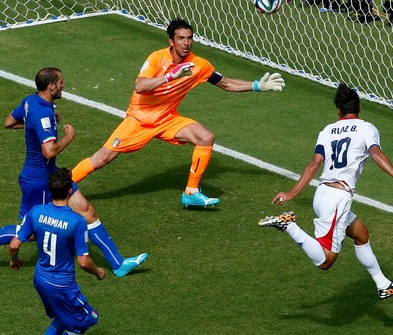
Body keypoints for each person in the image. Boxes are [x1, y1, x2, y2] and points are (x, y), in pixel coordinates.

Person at [72, 18, 285, 207]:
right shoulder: (157, 58)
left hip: (167, 119)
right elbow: (141, 87)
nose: (186, 43)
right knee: (102, 159)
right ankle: (59, 187)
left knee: (205, 137)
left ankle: (191, 192)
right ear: (171, 42)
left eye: (189, 38)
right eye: (181, 38)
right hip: (139, 120)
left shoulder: (199, 65)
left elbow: (227, 84)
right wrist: (171, 77)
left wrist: (257, 85)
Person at [0, 67, 147, 277]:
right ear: (51, 86)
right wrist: (69, 136)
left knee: (87, 212)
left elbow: (9, 122)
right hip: (38, 181)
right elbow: (48, 151)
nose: (63, 85)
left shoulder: (30, 101)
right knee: (29, 234)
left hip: (51, 174)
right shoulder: (42, 113)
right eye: (60, 82)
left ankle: (118, 263)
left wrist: (35, 126)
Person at [258, 82, 393, 299]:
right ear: (359, 107)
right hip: (337, 198)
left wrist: (291, 193)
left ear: (338, 111)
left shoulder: (327, 130)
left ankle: (383, 285)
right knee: (326, 261)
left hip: (322, 194)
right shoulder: (367, 128)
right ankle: (289, 225)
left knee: (361, 234)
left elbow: (315, 164)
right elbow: (376, 154)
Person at [9, 168, 105, 335]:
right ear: (70, 191)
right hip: (63, 285)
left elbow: (14, 245)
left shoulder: (36, 211)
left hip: (40, 279)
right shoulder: (77, 222)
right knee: (86, 321)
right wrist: (97, 271)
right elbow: (84, 261)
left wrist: (14, 260)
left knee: (63, 315)